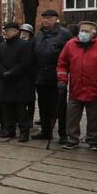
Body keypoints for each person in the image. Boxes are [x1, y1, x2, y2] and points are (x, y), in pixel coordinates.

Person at [57, 21, 97, 150]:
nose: (83, 33)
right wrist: (62, 79)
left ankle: (93, 141)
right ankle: (72, 139)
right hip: (76, 88)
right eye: (81, 30)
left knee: (94, 117)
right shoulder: (70, 44)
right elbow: (62, 63)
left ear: (94, 33)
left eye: (86, 31)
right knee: (72, 116)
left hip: (96, 88)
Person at [34, 9, 73, 143]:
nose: (45, 20)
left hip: (57, 77)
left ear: (56, 19)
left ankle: (63, 134)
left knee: (59, 108)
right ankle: (45, 131)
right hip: (41, 77)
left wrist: (64, 75)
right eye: (44, 18)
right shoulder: (39, 35)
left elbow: (69, 56)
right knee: (43, 106)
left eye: (49, 18)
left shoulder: (64, 34)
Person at [0, 22, 35, 141]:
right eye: (4, 30)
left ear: (16, 31)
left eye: (7, 30)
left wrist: (11, 72)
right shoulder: (2, 46)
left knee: (20, 109)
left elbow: (25, 63)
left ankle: (24, 132)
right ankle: (10, 130)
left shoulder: (24, 45)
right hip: (6, 81)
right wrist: (3, 72)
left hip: (20, 82)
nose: (5, 32)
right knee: (7, 108)